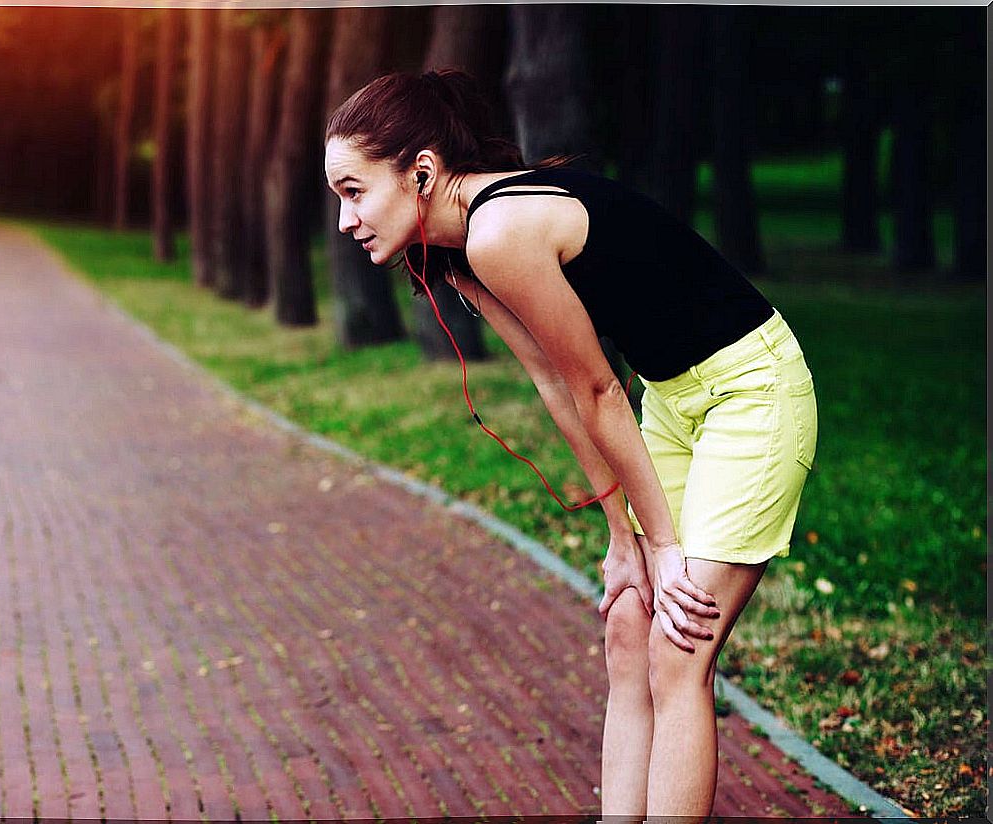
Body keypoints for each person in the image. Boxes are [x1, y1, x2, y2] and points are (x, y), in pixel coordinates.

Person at [323, 68, 818, 820]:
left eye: (354, 191)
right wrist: (623, 538)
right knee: (628, 623)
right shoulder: (457, 251)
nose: (344, 220)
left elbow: (596, 388)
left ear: (420, 171)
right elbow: (557, 387)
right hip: (676, 402)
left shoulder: (500, 230)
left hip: (753, 391)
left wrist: (663, 544)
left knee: (679, 647)